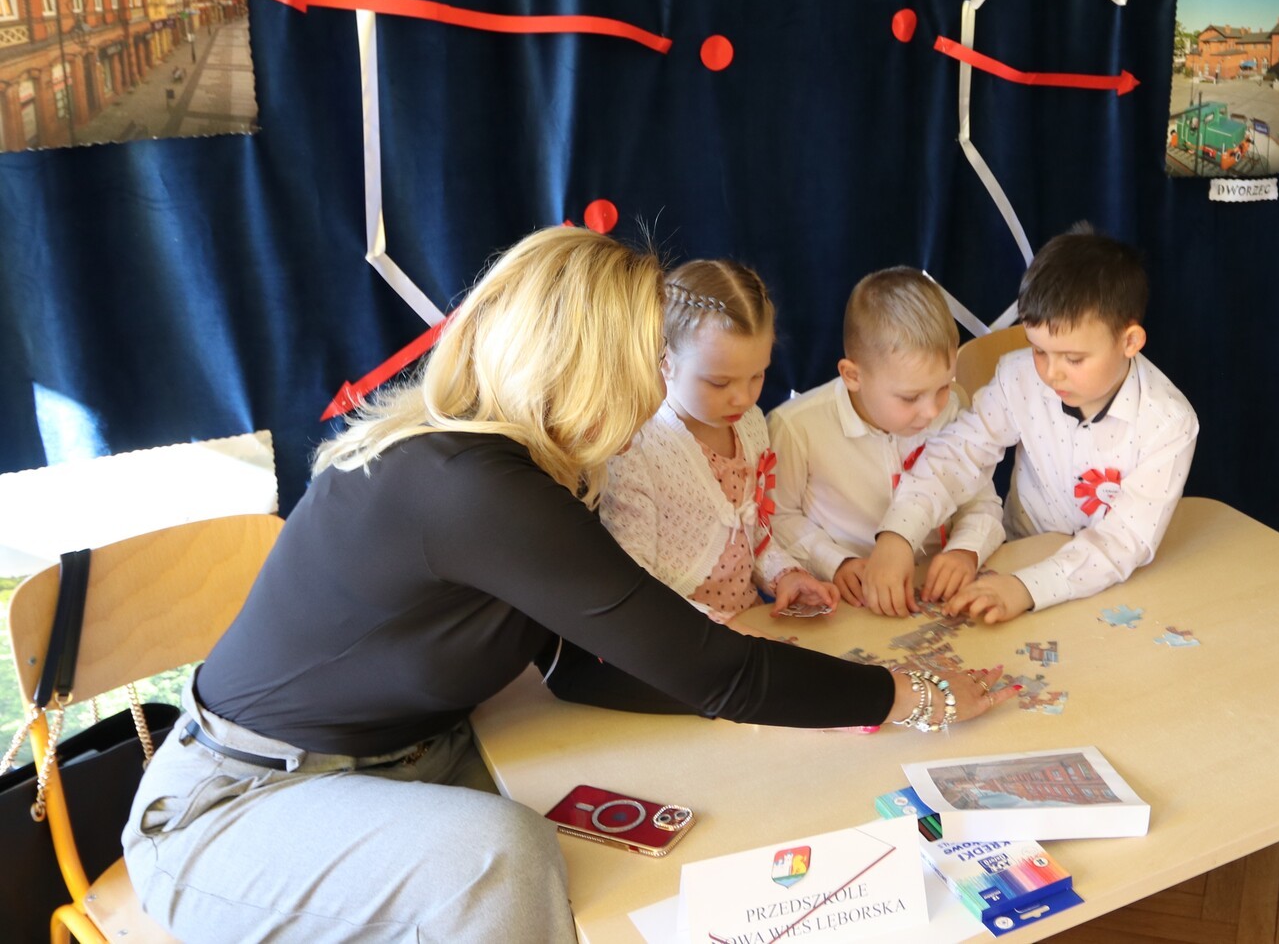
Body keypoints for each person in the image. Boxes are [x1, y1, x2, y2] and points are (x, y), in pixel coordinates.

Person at [121, 228, 1011, 942]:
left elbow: (581, 667)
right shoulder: (469, 485)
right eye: (643, 366)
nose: (653, 392)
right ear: (589, 368)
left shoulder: (538, 468)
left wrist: (771, 691)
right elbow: (715, 673)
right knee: (501, 858)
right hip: (236, 813)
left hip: (405, 764)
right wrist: (910, 691)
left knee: (672, 815)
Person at [864, 227, 1200, 623]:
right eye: (1039, 350)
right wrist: (898, 535)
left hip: (1104, 582)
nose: (1051, 373)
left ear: (1130, 342)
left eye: (1073, 359)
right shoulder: (1019, 377)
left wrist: (1026, 588)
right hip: (1019, 557)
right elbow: (956, 454)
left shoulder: (1169, 422)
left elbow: (1124, 540)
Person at [596, 259, 839, 625]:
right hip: (678, 634)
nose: (743, 398)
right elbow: (637, 584)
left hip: (749, 624)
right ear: (665, 361)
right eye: (719, 383)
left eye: (757, 375)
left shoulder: (750, 424)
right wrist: (719, 632)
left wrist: (785, 575)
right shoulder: (635, 449)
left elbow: (752, 535)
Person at [769, 266, 1005, 608]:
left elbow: (981, 501)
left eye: (943, 386)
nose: (931, 411)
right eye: (910, 397)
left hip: (941, 595)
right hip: (852, 603)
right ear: (853, 376)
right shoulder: (796, 427)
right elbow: (775, 517)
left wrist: (966, 550)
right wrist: (835, 562)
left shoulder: (952, 408)